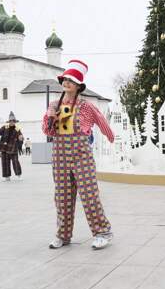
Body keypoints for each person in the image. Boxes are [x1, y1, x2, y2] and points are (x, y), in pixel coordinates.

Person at [42, 59, 115, 250]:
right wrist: (50, 116)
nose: (67, 83)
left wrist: (110, 135)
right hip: (60, 157)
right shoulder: (54, 104)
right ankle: (63, 235)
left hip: (81, 155)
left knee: (89, 195)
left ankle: (102, 233)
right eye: (65, 79)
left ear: (78, 86)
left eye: (71, 81)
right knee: (62, 197)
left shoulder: (85, 106)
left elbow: (100, 119)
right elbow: (48, 132)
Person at [0, 112, 24, 181]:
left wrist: (21, 138)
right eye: (10, 121)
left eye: (13, 121)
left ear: (15, 121)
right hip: (4, 148)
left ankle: (19, 175)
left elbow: (20, 135)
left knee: (15, 162)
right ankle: (7, 177)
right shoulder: (5, 127)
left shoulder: (17, 128)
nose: (12, 122)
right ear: (9, 121)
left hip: (13, 148)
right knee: (5, 163)